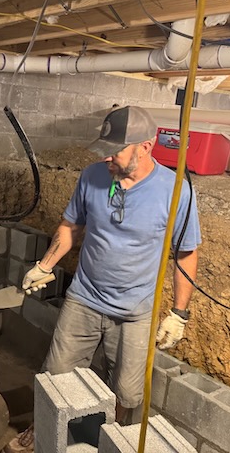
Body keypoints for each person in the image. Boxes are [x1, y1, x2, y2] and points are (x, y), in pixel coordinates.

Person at [27, 105, 201, 427]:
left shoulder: (176, 191)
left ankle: (112, 438)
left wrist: (179, 314)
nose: (106, 157)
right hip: (84, 298)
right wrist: (45, 266)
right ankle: (42, 432)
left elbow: (185, 254)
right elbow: (71, 226)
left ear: (145, 147)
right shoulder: (92, 176)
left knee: (127, 394)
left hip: (135, 311)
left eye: (115, 151)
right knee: (55, 376)